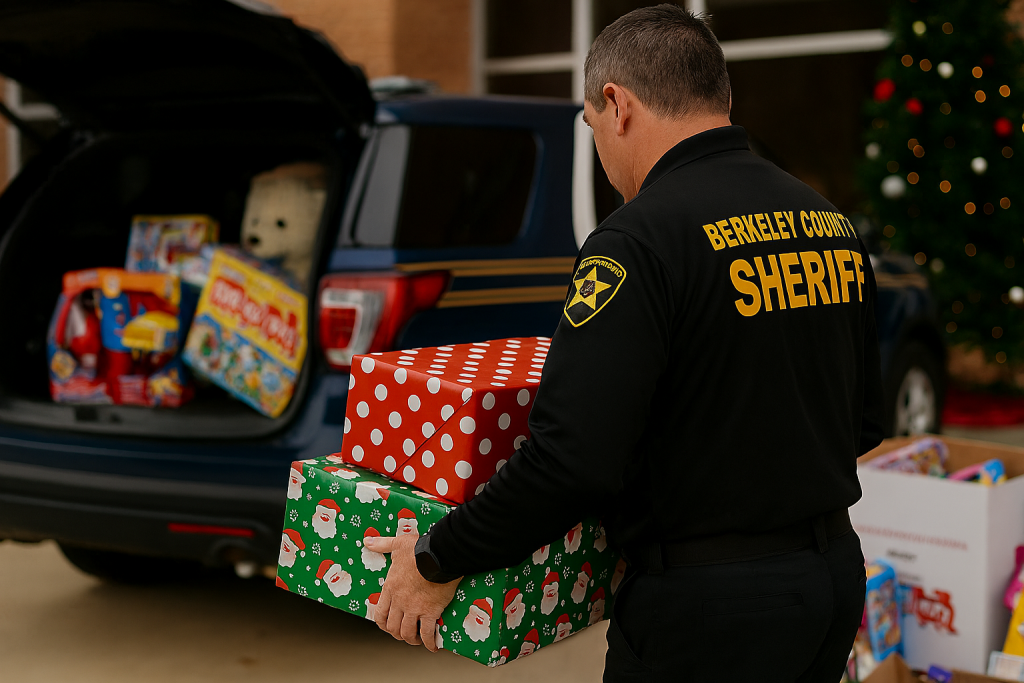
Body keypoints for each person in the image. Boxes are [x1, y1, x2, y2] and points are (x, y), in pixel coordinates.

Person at [364, 5, 883, 681]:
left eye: (591, 127)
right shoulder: (827, 222)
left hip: (709, 612)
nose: (602, 154)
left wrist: (438, 557)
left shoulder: (636, 241)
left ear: (618, 104)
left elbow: (569, 460)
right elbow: (863, 421)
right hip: (831, 582)